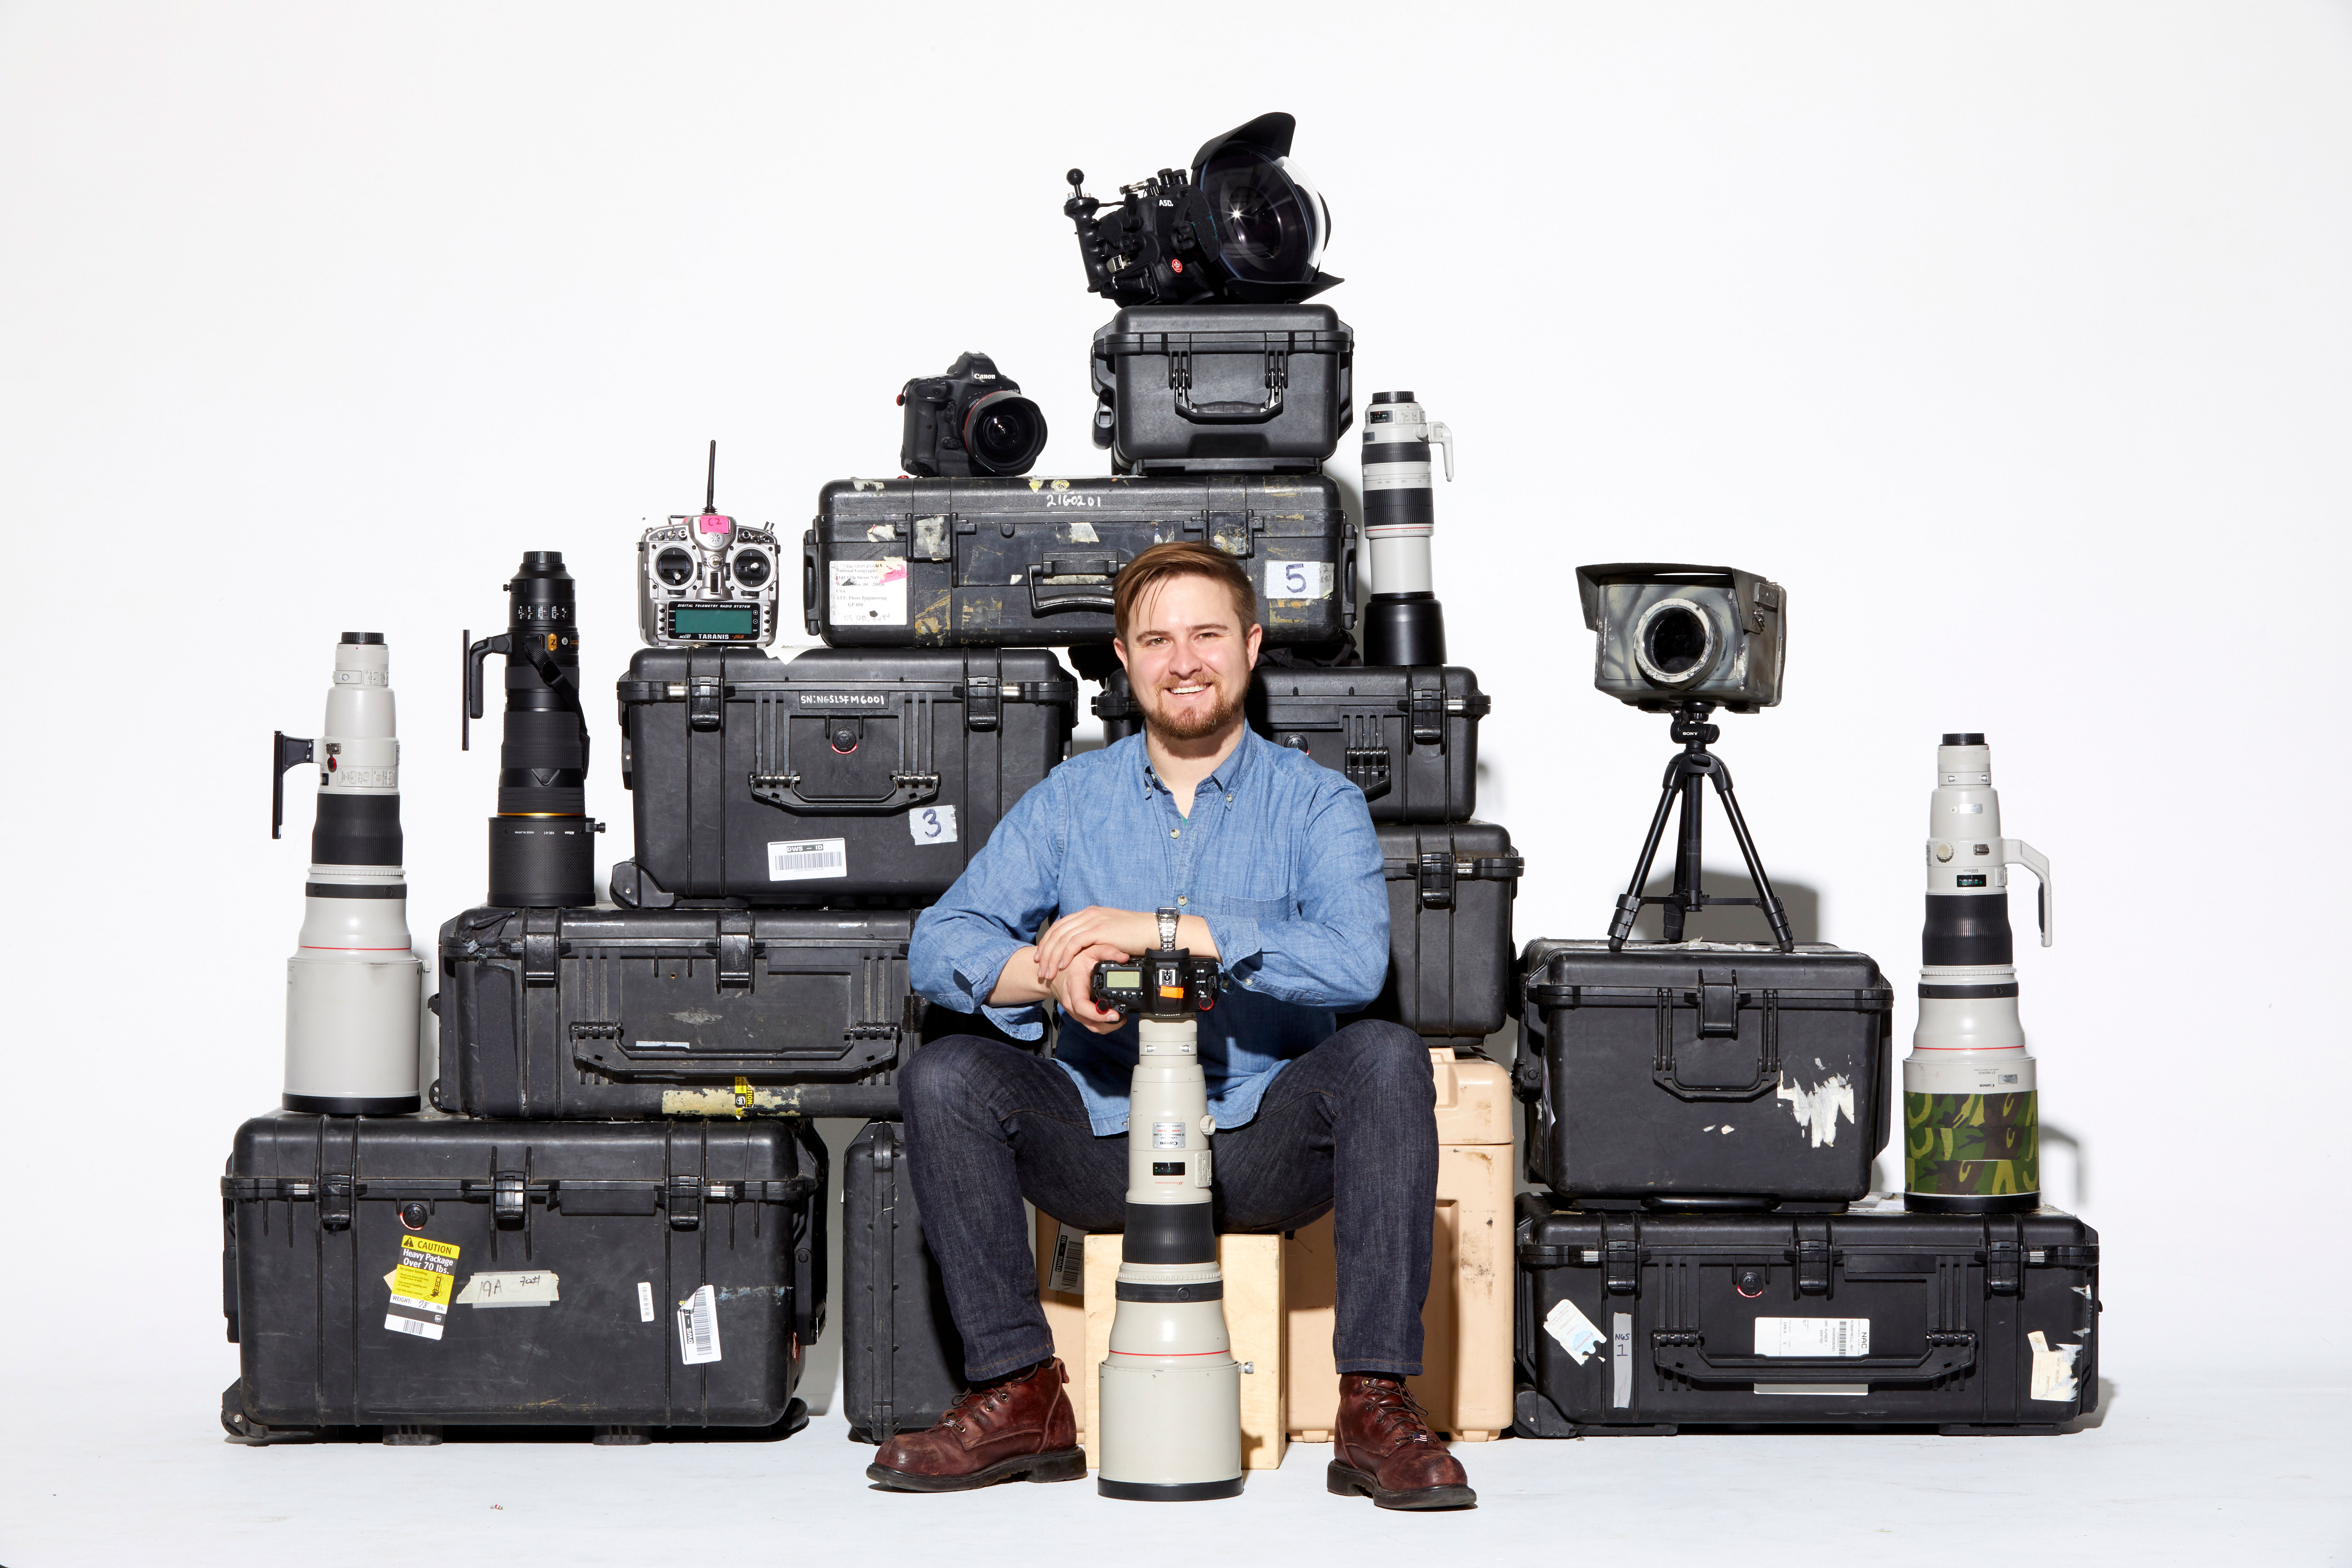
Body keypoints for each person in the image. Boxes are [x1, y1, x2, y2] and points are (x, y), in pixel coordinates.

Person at [868, 541, 1475, 1510]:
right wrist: (1050, 972)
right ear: (1123, 656)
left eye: (1205, 634)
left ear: (1252, 644)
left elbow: (1357, 963)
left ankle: (1372, 1403)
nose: (1183, 660)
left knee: (1387, 1056)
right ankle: (1020, 1390)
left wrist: (1164, 932)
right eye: (1156, 639)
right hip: (1107, 1142)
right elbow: (940, 943)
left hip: (1261, 1144)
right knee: (946, 1077)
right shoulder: (1070, 801)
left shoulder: (1319, 802)